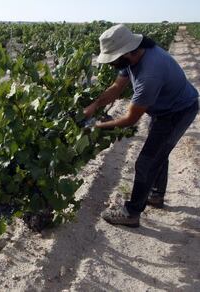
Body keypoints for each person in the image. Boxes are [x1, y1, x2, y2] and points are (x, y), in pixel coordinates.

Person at [84, 24, 199, 227]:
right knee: (158, 152)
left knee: (146, 161)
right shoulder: (133, 58)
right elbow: (117, 87)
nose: (111, 63)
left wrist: (97, 127)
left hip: (177, 112)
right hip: (164, 107)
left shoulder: (149, 75)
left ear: (126, 52)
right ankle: (155, 195)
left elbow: (130, 119)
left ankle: (131, 213)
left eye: (112, 58)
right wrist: (95, 105)